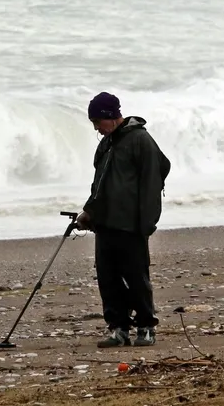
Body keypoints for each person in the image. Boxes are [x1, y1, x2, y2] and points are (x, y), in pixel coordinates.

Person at [76, 91, 171, 348]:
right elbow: (99, 185)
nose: (96, 127)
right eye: (93, 122)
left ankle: (146, 328)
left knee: (136, 277)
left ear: (112, 117)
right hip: (105, 224)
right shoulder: (105, 145)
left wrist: (147, 223)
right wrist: (89, 213)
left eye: (98, 121)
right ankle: (118, 329)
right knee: (107, 279)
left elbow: (153, 182)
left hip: (132, 225)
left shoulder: (140, 140)